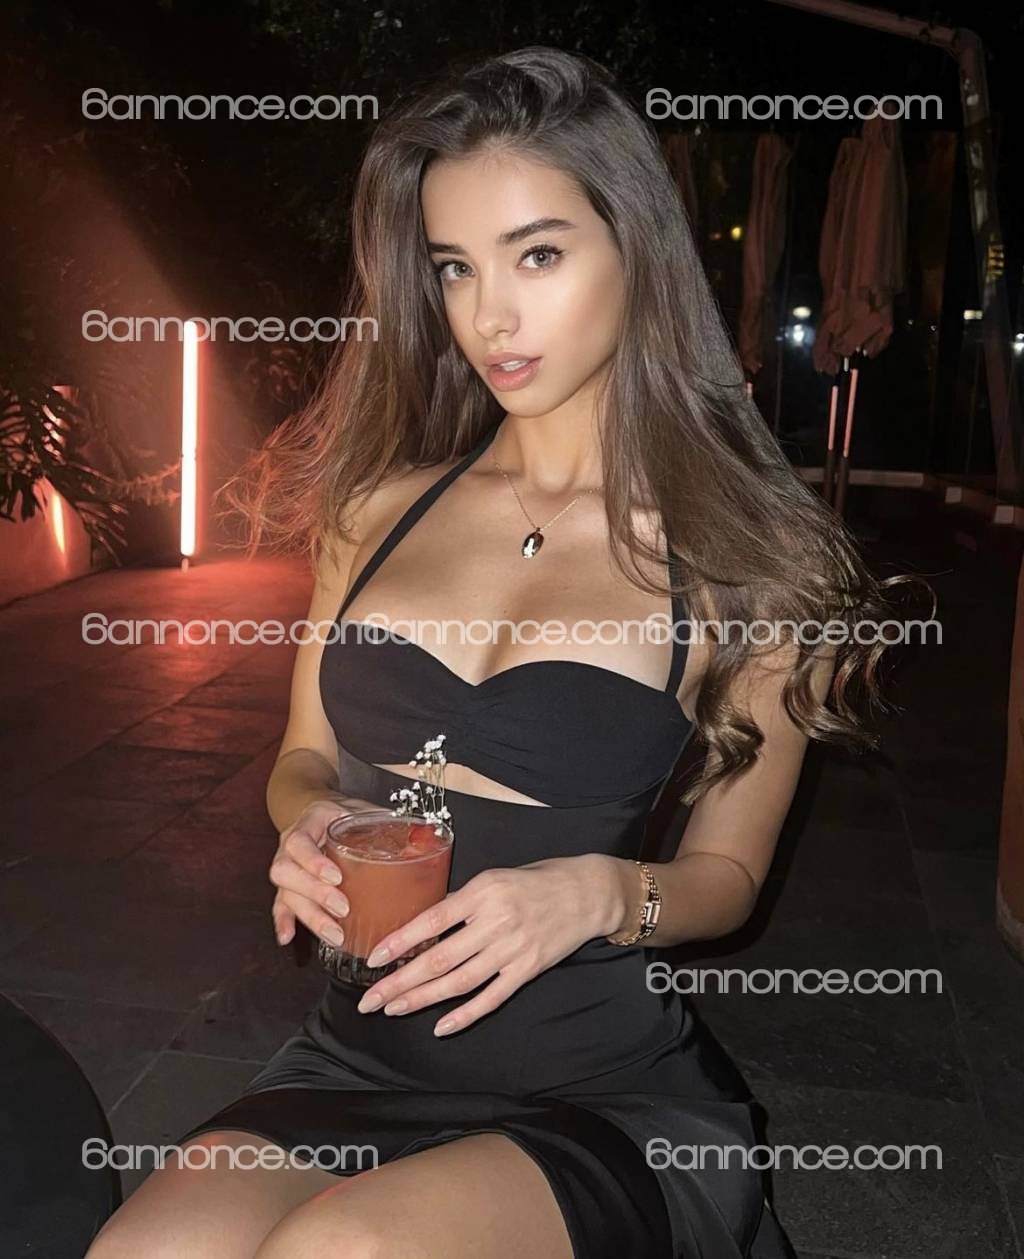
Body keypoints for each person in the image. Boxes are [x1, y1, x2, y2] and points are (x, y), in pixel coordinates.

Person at [87, 45, 918, 1259]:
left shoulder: (753, 562)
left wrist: (602, 891)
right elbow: (300, 758)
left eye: (536, 254)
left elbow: (729, 875)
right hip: (359, 1056)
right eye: (454, 267)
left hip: (602, 1086)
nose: (489, 315)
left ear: (635, 249)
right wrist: (309, 818)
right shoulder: (376, 508)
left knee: (344, 1249)